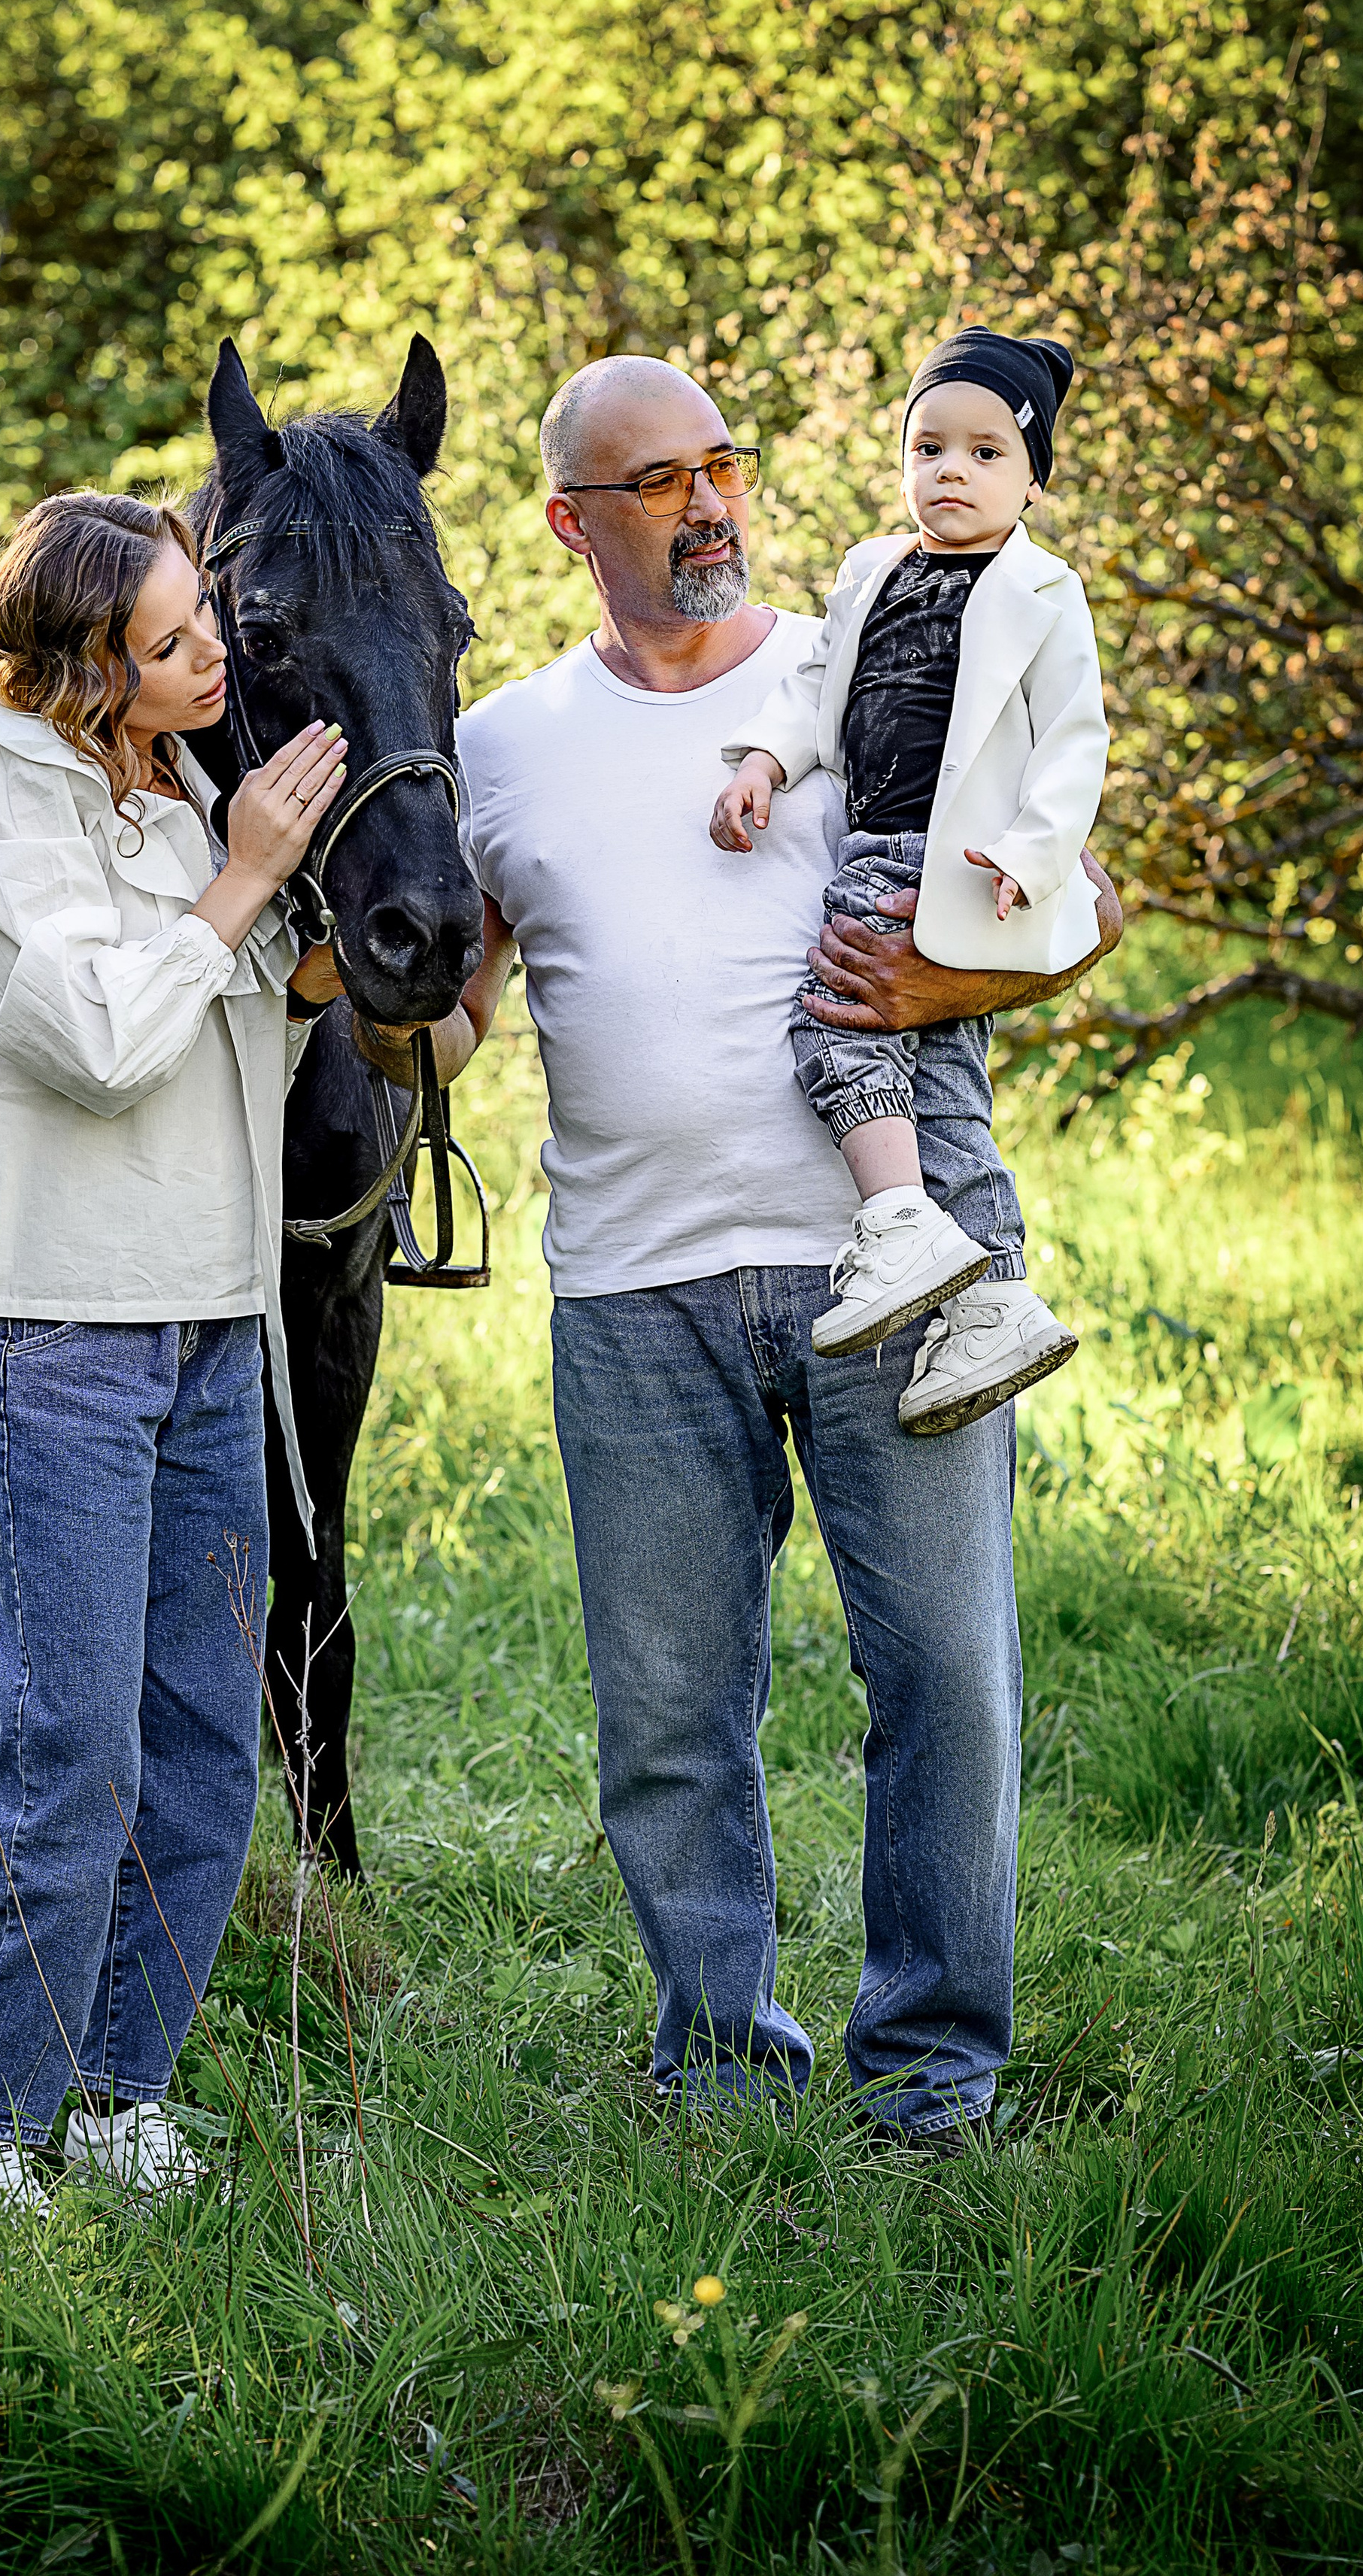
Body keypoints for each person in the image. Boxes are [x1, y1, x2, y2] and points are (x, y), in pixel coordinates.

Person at [354, 355, 1122, 2139]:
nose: (708, 504)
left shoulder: (855, 658)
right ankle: (715, 2067)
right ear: (571, 524)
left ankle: (930, 2078)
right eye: (658, 481)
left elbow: (1083, 900)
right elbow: (452, 1025)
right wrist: (354, 1004)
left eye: (722, 464)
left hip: (903, 1267)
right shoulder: (500, 747)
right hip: (633, 1289)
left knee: (943, 1684)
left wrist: (932, 984)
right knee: (667, 1718)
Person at [0, 489, 347, 2229]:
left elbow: (229, 1026)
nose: (213, 653)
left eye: (204, 616)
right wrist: (247, 879)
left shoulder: (183, 778)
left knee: (203, 1739)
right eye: (169, 640)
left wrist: (326, 951)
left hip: (212, 1312)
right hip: (60, 1320)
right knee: (66, 1742)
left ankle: (123, 2088)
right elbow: (95, 1039)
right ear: (82, 668)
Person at [709, 326, 1108, 1434]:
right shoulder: (870, 571)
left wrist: (1031, 856)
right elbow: (813, 685)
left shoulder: (1045, 591)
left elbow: (1074, 742)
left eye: (986, 453)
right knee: (944, 1097)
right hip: (875, 836)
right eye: (929, 448)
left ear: (1033, 480)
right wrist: (764, 762)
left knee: (833, 1025)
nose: (951, 473)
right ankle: (995, 1303)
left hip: (952, 860)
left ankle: (898, 1223)